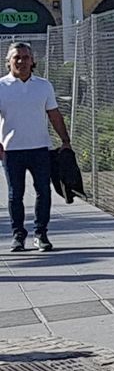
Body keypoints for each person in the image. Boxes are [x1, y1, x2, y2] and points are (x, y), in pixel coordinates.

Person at [0, 42, 71, 251]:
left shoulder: (43, 86)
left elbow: (54, 115)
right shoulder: (2, 86)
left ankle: (41, 234)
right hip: (11, 150)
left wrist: (65, 140)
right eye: (17, 58)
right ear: (9, 62)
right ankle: (18, 235)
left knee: (43, 191)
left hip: (40, 148)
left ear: (33, 61)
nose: (22, 61)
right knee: (15, 194)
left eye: (26, 57)